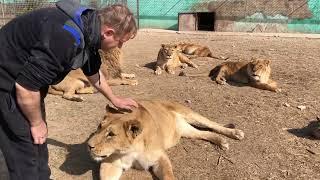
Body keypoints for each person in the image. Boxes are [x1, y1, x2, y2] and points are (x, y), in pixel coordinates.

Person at [0, 0, 138, 179]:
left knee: (38, 140)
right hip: (7, 83)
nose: (119, 47)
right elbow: (25, 88)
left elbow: (93, 71)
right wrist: (36, 122)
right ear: (109, 33)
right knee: (24, 147)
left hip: (26, 83)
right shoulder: (66, 36)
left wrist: (114, 99)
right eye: (120, 42)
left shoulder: (89, 28)